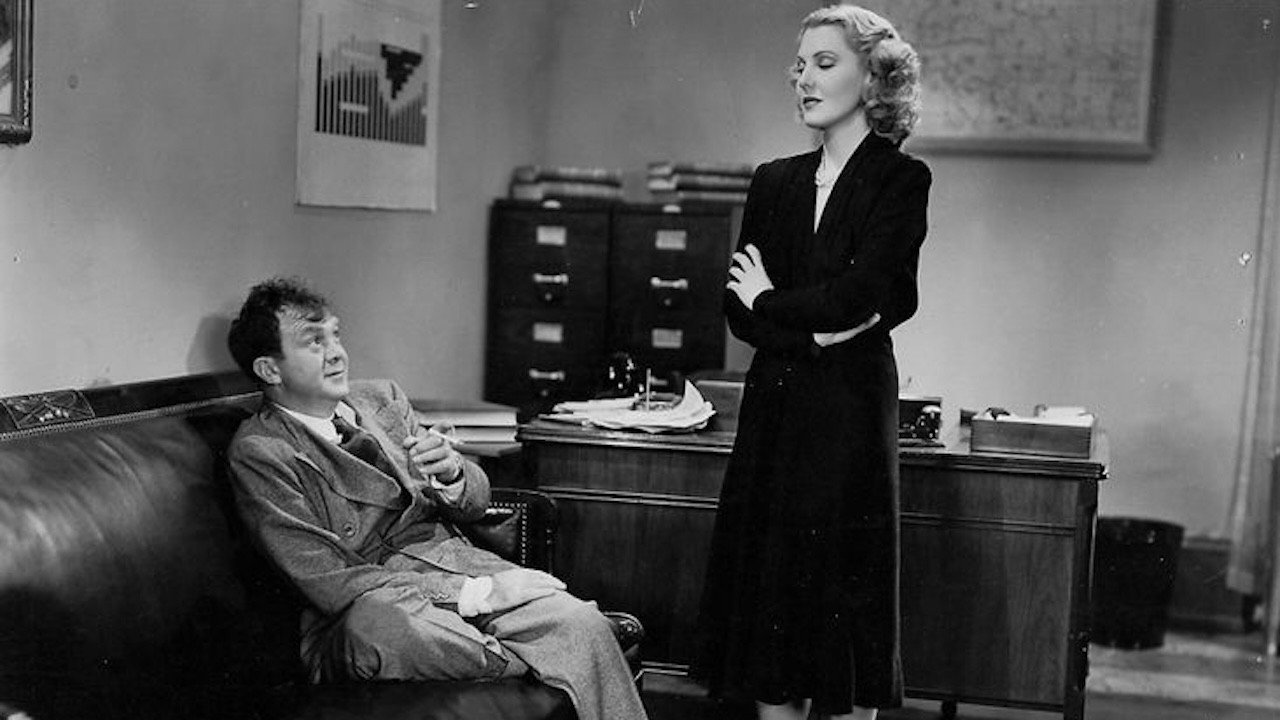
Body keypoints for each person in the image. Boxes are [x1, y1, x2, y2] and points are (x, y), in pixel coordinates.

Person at [225, 277, 648, 720]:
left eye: (336, 334)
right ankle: (537, 655)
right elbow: (329, 581)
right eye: (314, 341)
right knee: (379, 624)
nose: (336, 353)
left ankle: (541, 647)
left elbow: (477, 504)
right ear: (269, 370)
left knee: (581, 624)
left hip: (458, 571)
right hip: (378, 606)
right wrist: (473, 595)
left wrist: (453, 473)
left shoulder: (381, 398)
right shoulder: (262, 452)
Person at [692, 5, 930, 720]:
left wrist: (774, 301)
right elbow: (738, 310)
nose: (804, 79)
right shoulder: (774, 181)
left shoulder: (900, 180)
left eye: (824, 63)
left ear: (874, 76)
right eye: (799, 66)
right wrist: (811, 330)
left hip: (849, 413)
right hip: (777, 404)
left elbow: (865, 296)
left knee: (841, 603)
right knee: (773, 610)